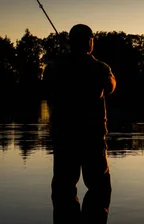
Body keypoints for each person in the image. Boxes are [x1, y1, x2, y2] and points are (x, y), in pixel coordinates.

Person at [44, 24, 116, 224]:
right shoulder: (100, 68)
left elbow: (46, 85)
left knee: (63, 190)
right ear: (89, 42)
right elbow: (111, 87)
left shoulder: (55, 67)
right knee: (99, 189)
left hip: (64, 138)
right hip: (92, 138)